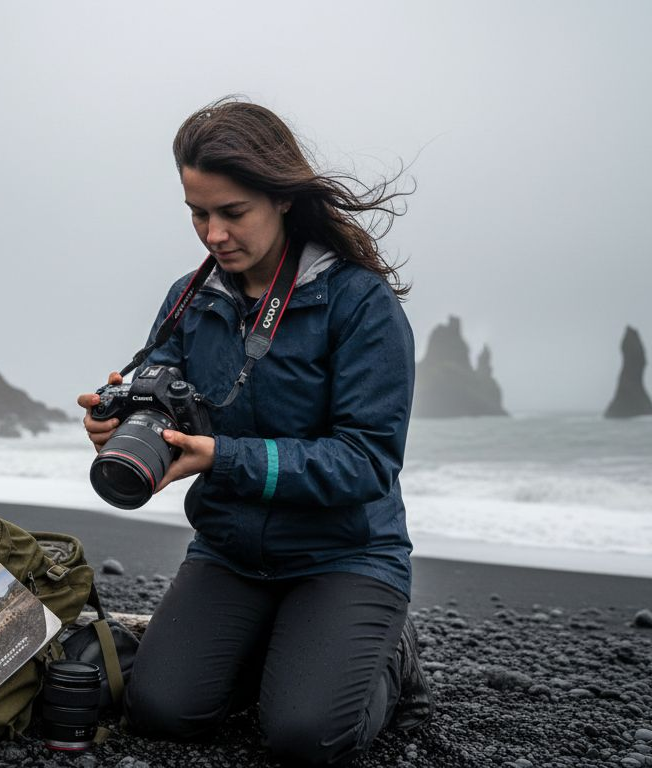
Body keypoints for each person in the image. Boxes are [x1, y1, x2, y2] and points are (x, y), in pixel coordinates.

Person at [76, 98, 431, 767]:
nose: (213, 234)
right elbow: (164, 393)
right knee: (161, 710)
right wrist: (120, 423)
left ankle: (389, 660)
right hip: (232, 551)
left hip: (344, 554)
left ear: (282, 198)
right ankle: (285, 648)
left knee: (305, 736)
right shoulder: (191, 297)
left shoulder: (359, 303)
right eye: (197, 213)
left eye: (232, 212)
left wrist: (222, 457)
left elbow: (366, 463)